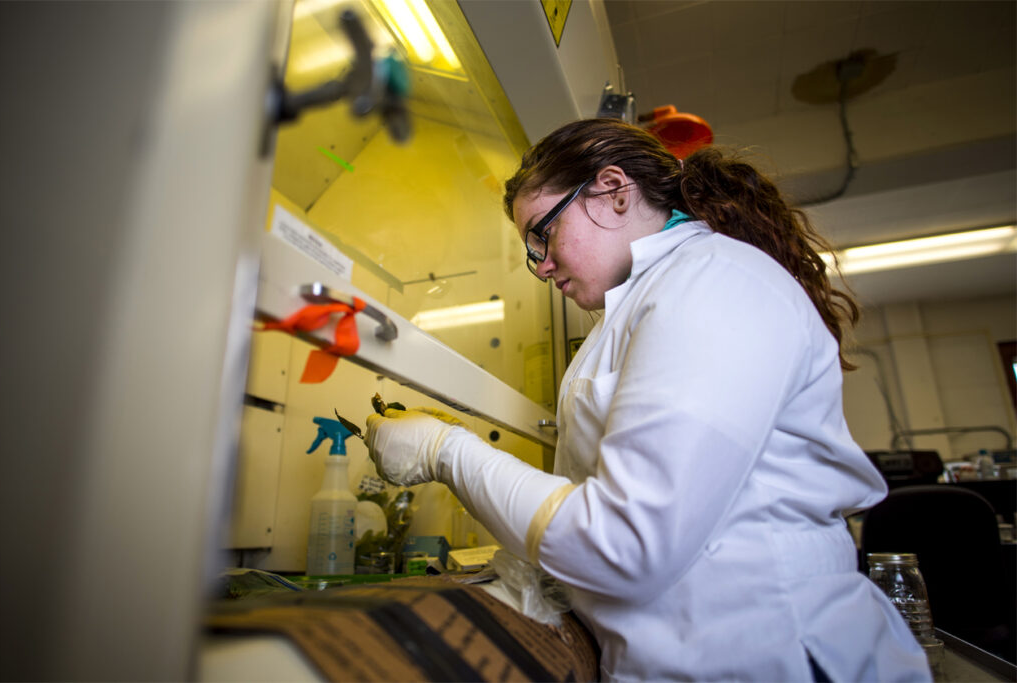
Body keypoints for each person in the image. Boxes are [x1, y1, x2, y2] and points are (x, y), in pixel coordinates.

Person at [365, 118, 931, 681]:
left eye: (543, 234)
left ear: (613, 192)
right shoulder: (630, 312)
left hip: (773, 658)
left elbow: (626, 544)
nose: (540, 265)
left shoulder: (713, 280)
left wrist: (446, 451)